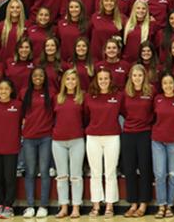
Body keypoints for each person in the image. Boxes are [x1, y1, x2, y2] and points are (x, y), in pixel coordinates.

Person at [85, 69, 123, 217]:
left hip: (112, 137)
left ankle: (109, 205)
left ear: (110, 80)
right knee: (95, 172)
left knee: (110, 171)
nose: (103, 81)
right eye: (100, 79)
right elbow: (86, 116)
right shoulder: (89, 97)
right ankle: (96, 205)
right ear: (96, 80)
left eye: (106, 78)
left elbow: (125, 112)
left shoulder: (118, 96)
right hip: (93, 137)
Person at [119, 64, 156, 217]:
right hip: (128, 134)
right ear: (130, 77)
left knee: (145, 168)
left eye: (140, 75)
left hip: (145, 134)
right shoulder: (125, 93)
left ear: (144, 77)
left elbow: (155, 111)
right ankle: (133, 203)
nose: (137, 78)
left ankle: (143, 204)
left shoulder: (151, 91)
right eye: (134, 75)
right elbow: (122, 111)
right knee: (129, 169)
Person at [51, 69, 87, 218]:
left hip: (77, 140)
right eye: (68, 79)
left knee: (76, 176)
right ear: (63, 82)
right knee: (62, 176)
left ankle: (76, 207)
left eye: (73, 79)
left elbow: (86, 117)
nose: (70, 82)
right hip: (58, 141)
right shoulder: (57, 98)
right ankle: (64, 206)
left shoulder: (82, 97)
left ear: (77, 81)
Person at [0, 79, 24, 219]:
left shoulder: (18, 105)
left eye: (6, 89)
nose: (3, 91)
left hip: (11, 148)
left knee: (9, 178)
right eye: (0, 89)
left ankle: (9, 205)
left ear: (11, 90)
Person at [19, 68, 54, 218]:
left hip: (46, 137)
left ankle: (44, 206)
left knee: (45, 172)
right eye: (35, 75)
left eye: (41, 75)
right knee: (30, 172)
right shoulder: (24, 92)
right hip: (29, 138)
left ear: (45, 77)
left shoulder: (51, 93)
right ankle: (30, 205)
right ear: (31, 77)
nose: (38, 77)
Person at [151, 73, 174, 219]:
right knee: (159, 174)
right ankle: (161, 204)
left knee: (172, 175)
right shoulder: (157, 99)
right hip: (158, 141)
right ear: (162, 85)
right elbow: (152, 118)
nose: (168, 86)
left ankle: (169, 205)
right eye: (165, 83)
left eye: (171, 83)